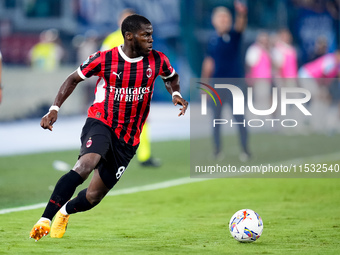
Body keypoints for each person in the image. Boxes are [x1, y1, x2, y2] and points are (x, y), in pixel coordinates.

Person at [29, 14, 188, 241]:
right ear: (129, 36)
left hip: (129, 139)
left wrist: (176, 93)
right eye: (146, 35)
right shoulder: (105, 59)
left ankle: (64, 212)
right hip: (102, 121)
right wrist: (54, 108)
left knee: (94, 196)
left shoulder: (158, 60)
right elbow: (73, 78)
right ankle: (45, 218)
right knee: (85, 165)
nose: (152, 40)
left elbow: (171, 77)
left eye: (151, 34)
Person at [102, 8, 161, 167]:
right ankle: (107, 155)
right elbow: (102, 61)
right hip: (117, 88)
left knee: (142, 121)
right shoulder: (112, 39)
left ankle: (144, 157)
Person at [201, 1, 250, 161]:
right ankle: (217, 150)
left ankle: (245, 150)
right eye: (220, 17)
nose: (223, 20)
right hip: (216, 85)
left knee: (239, 118)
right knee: (216, 120)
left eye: (225, 17)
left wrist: (241, 13)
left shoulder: (234, 36)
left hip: (234, 84)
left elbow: (240, 26)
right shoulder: (212, 40)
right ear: (214, 21)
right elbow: (208, 63)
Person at [245, 31, 272, 115]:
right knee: (260, 99)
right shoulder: (255, 49)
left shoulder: (266, 50)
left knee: (264, 99)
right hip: (259, 79)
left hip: (266, 79)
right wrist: (250, 77)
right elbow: (249, 64)